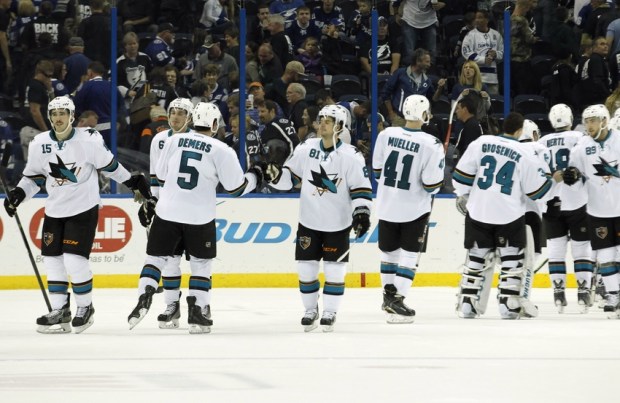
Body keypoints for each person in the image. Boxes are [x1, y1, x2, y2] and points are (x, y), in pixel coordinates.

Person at [3, 96, 152, 334]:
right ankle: (60, 310)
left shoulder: (89, 139)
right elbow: (34, 177)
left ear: (72, 116)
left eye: (63, 113)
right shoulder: (39, 143)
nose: (58, 118)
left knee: (74, 259)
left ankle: (85, 307)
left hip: (83, 208)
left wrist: (132, 181)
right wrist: (19, 194)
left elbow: (110, 166)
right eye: (54, 114)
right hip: (54, 210)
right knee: (52, 261)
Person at [127, 102, 264, 333]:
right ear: (213, 123)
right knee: (200, 264)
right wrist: (255, 176)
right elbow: (236, 189)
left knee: (156, 259)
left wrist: (153, 201)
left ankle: (145, 294)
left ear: (192, 119)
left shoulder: (170, 141)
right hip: (199, 216)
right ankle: (198, 310)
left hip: (167, 212)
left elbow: (159, 177)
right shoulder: (222, 149)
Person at [263, 105, 372, 332]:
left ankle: (330, 312)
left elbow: (361, 189)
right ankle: (310, 310)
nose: (321, 123)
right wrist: (275, 176)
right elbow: (290, 179)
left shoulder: (351, 157)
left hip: (338, 224)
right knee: (305, 269)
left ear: (340, 126)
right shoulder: (306, 148)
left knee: (334, 270)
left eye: (328, 120)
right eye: (321, 119)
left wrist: (362, 212)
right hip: (309, 221)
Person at [452, 112, 552, 319]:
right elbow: (539, 192)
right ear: (519, 131)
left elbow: (461, 177)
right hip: (508, 214)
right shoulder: (525, 152)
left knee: (476, 258)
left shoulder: (482, 142)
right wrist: (552, 179)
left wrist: (463, 195)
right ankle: (508, 304)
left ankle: (468, 304)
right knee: (511, 260)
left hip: (478, 211)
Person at [372, 95, 445, 323]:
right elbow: (431, 185)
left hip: (387, 205)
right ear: (425, 114)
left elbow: (376, 171)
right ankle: (398, 299)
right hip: (414, 208)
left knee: (389, 254)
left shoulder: (386, 135)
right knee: (409, 255)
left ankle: (388, 297)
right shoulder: (431, 144)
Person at [563, 104, 620, 317]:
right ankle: (613, 295)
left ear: (604, 120)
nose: (589, 125)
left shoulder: (619, 140)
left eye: (594, 120)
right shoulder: (581, 147)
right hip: (598, 210)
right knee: (605, 256)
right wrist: (572, 177)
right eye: (587, 121)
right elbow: (574, 173)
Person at [538, 103, 593, 313]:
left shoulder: (542, 142)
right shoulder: (580, 138)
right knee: (581, 248)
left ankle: (558, 294)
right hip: (577, 201)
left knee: (556, 249)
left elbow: (539, 172)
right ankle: (583, 292)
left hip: (551, 203)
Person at [461, 10, 504, 95]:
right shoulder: (470, 35)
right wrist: (483, 60)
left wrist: (496, 54)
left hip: (492, 78)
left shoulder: (496, 34)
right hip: (477, 78)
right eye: (476, 18)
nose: (477, 20)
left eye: (480, 17)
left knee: (492, 104)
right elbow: (466, 53)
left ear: (487, 20)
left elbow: (502, 53)